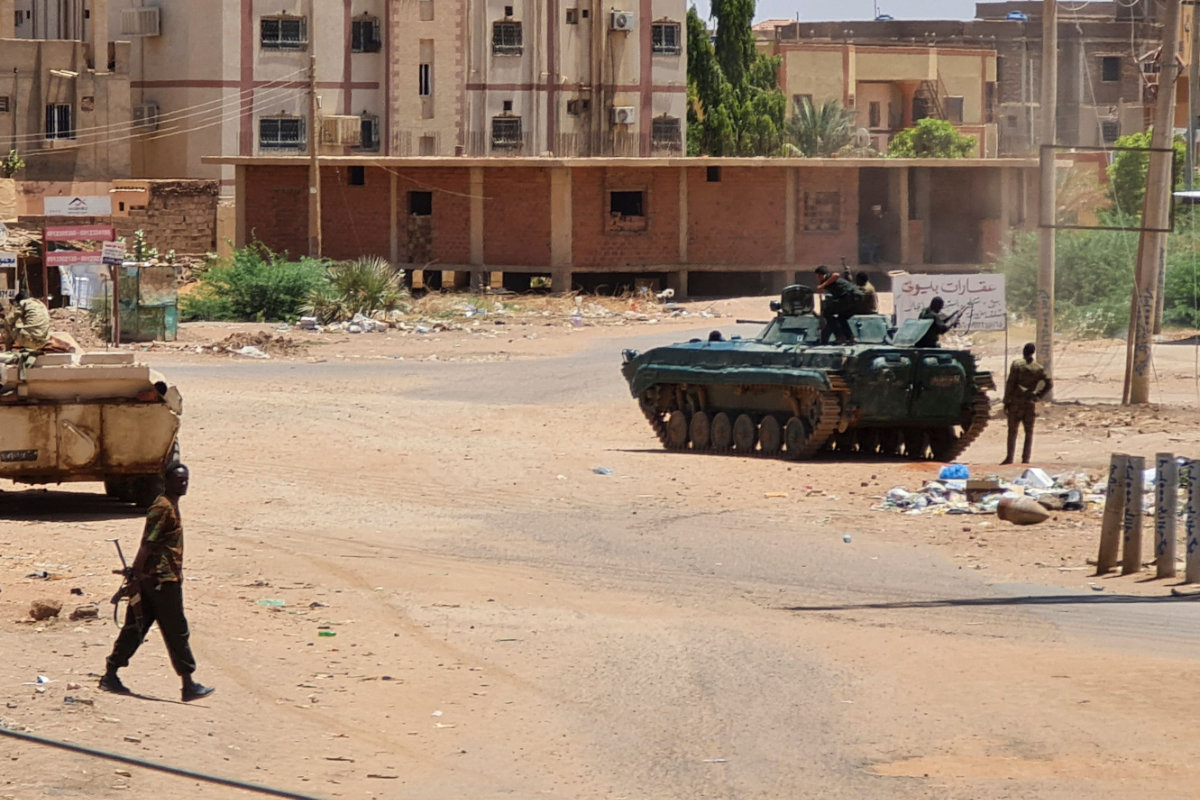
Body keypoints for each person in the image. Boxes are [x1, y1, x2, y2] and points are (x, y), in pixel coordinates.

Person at [99, 463, 216, 702]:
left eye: (186, 479)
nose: (184, 483)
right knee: (176, 630)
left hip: (155, 579)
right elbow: (147, 543)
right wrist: (135, 572)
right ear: (167, 481)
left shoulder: (169, 506)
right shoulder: (162, 508)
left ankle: (110, 673)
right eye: (179, 480)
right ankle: (188, 684)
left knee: (137, 627)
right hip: (162, 581)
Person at [1001, 342, 1052, 465]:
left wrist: (1006, 401)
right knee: (1028, 432)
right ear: (1033, 352)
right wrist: (1038, 395)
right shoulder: (1038, 368)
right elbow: (1049, 383)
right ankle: (1025, 458)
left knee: (1012, 431)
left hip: (1015, 402)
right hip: (1029, 402)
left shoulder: (1017, 365)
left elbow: (1010, 384)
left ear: (1024, 351)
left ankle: (1009, 458)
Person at [814, 265, 861, 344]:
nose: (817, 278)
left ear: (821, 275)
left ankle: (840, 336)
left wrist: (822, 285)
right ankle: (850, 337)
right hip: (856, 298)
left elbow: (836, 275)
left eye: (818, 276)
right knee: (841, 317)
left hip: (850, 297)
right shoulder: (828, 282)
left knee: (827, 312)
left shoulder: (828, 277)